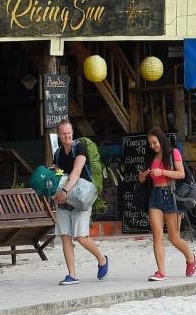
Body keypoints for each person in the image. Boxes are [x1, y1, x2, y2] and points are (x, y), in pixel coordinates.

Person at [52, 120, 109, 285]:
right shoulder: (58, 153)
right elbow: (61, 172)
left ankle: (102, 259)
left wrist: (64, 191)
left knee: (80, 237)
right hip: (64, 199)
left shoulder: (79, 147)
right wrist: (55, 172)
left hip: (81, 196)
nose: (67, 136)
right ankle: (72, 274)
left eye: (69, 132)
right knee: (65, 236)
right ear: (59, 135)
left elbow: (76, 172)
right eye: (64, 133)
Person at [139, 127, 196, 281]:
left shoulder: (173, 153)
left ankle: (190, 257)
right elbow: (142, 180)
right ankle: (161, 271)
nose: (152, 146)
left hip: (171, 195)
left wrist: (163, 172)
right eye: (150, 144)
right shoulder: (151, 157)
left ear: (161, 140)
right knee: (157, 235)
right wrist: (143, 176)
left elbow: (181, 174)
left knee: (174, 237)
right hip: (155, 195)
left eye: (154, 143)